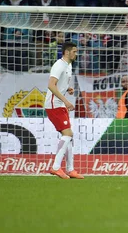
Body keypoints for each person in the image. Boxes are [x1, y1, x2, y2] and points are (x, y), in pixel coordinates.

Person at [45, 42, 84, 180]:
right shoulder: (59, 65)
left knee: (68, 136)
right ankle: (56, 167)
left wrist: (67, 88)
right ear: (67, 52)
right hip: (54, 105)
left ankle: (70, 169)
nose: (76, 54)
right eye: (74, 51)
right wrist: (66, 101)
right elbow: (51, 85)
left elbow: (59, 83)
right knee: (68, 134)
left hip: (59, 104)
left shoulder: (68, 65)